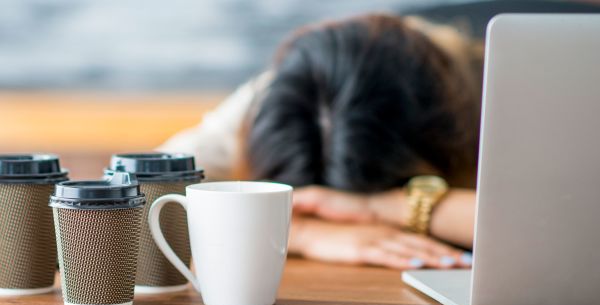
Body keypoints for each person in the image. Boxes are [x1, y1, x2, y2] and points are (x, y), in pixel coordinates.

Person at [158, 14, 483, 270]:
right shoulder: (278, 99)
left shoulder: (493, 83)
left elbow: (532, 227)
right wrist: (302, 234)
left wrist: (384, 207)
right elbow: (139, 204)